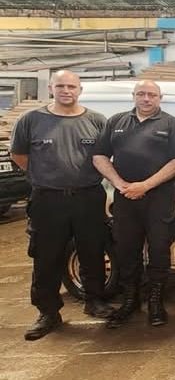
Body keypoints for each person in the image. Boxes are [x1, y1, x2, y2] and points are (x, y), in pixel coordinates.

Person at [10, 70, 115, 341]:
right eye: (60, 86)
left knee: (92, 251)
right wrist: (47, 176)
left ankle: (95, 301)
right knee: (46, 256)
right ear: (51, 89)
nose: (66, 91)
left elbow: (105, 156)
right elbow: (19, 155)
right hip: (48, 199)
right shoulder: (31, 120)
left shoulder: (96, 121)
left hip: (88, 196)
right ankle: (48, 312)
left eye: (71, 86)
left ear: (80, 90)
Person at [92, 80, 175, 328]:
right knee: (126, 250)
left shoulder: (171, 123)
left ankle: (156, 303)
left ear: (160, 97)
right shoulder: (116, 121)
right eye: (141, 94)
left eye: (152, 95)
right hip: (125, 198)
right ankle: (130, 301)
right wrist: (120, 184)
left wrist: (145, 185)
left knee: (159, 249)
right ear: (133, 96)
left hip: (160, 198)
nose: (146, 98)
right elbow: (99, 156)